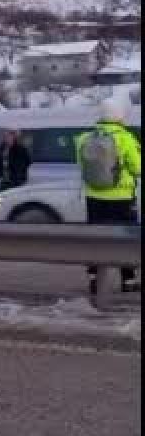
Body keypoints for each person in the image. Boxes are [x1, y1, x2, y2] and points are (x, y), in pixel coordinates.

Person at [78, 100, 141, 293]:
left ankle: (94, 279)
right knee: (125, 239)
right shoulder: (125, 138)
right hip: (122, 198)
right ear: (120, 115)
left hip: (94, 197)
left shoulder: (84, 138)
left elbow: (82, 166)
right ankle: (128, 281)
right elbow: (138, 168)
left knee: (96, 238)